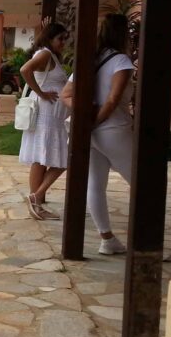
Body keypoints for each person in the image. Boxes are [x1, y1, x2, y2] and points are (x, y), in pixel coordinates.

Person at [60, 14, 133, 255]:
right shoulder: (121, 61)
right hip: (113, 130)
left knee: (96, 184)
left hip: (90, 134)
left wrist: (86, 119)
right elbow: (113, 99)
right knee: (144, 185)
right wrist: (96, 120)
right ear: (123, 34)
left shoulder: (89, 59)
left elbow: (66, 95)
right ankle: (147, 243)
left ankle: (107, 239)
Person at [18, 22, 69, 220]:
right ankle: (37, 198)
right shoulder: (45, 53)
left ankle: (36, 202)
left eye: (65, 39)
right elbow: (25, 70)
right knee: (62, 159)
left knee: (40, 159)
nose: (63, 43)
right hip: (47, 115)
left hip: (53, 116)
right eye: (60, 39)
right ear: (50, 38)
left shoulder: (50, 54)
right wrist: (40, 92)